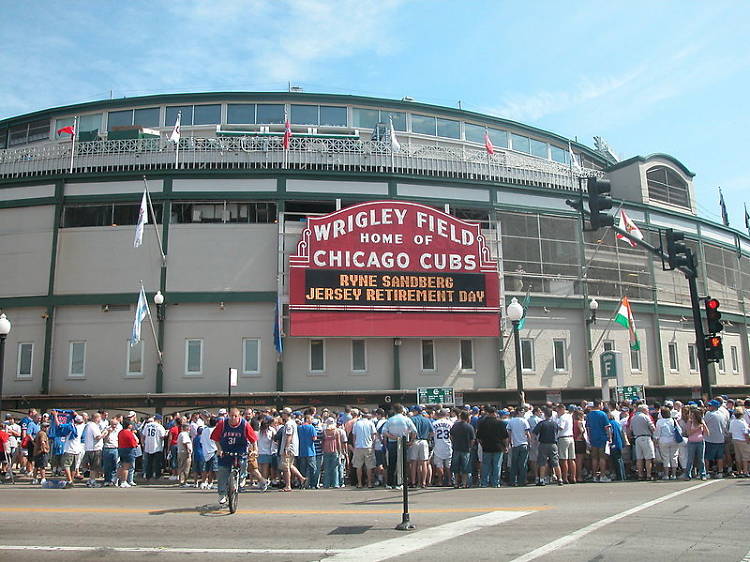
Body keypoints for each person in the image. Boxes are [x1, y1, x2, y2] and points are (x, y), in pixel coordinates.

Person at [211, 407, 258, 505]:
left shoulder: (244, 424)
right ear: (228, 415)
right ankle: (222, 494)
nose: (233, 418)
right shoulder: (222, 424)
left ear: (239, 416)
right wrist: (219, 449)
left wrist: (255, 450)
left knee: (243, 462)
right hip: (226, 450)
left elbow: (253, 439)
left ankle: (242, 477)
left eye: (235, 416)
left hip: (240, 449)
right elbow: (215, 438)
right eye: (231, 416)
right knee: (223, 471)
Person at [381, 404, 417, 489]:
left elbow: (384, 432)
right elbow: (414, 431)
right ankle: (400, 483)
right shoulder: (406, 419)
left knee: (392, 463)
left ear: (394, 410)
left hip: (392, 442)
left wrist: (392, 437)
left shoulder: (390, 420)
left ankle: (390, 483)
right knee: (402, 463)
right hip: (403, 442)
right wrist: (411, 442)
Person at [475, 406, 508, 488]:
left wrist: (482, 445)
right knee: (497, 465)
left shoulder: (482, 423)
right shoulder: (500, 423)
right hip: (498, 447)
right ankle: (495, 483)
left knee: (486, 465)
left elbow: (478, 437)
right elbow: (505, 437)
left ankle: (484, 483)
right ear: (494, 413)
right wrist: (506, 446)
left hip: (486, 447)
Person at [532, 407, 563, 486]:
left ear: (545, 415)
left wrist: (534, 440)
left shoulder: (541, 423)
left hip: (543, 444)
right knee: (555, 462)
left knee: (542, 462)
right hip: (553, 444)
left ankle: (542, 480)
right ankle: (560, 479)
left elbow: (534, 433)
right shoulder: (555, 424)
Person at [279, 408, 306, 492]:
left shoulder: (289, 424)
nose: (282, 415)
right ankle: (301, 478)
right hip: (292, 447)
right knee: (290, 465)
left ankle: (288, 485)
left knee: (286, 467)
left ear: (286, 414)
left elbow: (289, 436)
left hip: (289, 447)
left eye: (283, 413)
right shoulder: (292, 423)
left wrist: (286, 447)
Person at [586, 401, 613, 482]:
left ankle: (594, 476)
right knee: (602, 457)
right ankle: (602, 475)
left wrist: (589, 438)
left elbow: (588, 428)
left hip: (593, 438)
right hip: (602, 437)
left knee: (594, 458)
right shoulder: (602, 414)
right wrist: (610, 437)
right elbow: (607, 427)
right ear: (599, 405)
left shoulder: (589, 415)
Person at [351, 410, 377, 488]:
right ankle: (369, 483)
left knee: (358, 466)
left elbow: (354, 436)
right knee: (369, 466)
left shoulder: (356, 424)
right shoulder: (370, 423)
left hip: (358, 446)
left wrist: (355, 445)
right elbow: (374, 436)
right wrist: (373, 445)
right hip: (368, 446)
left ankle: (359, 483)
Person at [408, 407, 433, 488]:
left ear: (416, 411)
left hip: (415, 441)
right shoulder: (426, 419)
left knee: (413, 462)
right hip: (424, 441)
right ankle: (423, 482)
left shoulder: (412, 419)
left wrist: (410, 441)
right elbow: (432, 432)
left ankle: (413, 482)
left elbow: (410, 431)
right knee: (424, 462)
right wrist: (428, 437)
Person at [450, 410, 475, 488]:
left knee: (456, 467)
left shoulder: (455, 425)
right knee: (465, 467)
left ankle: (456, 483)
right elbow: (472, 439)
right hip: (466, 449)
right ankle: (464, 484)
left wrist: (454, 443)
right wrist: (470, 447)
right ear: (467, 417)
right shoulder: (469, 427)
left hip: (456, 448)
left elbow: (451, 436)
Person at [704, 400, 728, 478]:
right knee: (719, 457)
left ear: (714, 407)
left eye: (710, 406)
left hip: (710, 439)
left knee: (707, 457)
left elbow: (704, 423)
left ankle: (707, 472)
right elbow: (724, 426)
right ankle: (720, 472)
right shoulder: (722, 415)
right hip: (720, 438)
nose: (708, 407)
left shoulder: (708, 414)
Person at [654, 407, 680, 480]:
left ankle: (666, 475)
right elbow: (679, 429)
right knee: (674, 457)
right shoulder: (673, 420)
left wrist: (656, 441)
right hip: (673, 440)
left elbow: (657, 433)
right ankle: (674, 475)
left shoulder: (659, 422)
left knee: (665, 457)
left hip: (663, 440)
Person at [507, 408, 531, 487]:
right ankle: (522, 481)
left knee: (514, 464)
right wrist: (529, 443)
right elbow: (527, 433)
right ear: (518, 412)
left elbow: (509, 433)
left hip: (515, 445)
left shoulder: (511, 421)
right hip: (523, 444)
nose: (523, 413)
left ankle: (513, 481)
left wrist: (509, 443)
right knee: (522, 463)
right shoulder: (524, 421)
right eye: (522, 412)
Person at [684, 408, 709, 480]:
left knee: (701, 459)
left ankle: (702, 474)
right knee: (690, 459)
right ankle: (687, 475)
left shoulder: (701, 422)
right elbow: (688, 433)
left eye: (693, 414)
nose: (691, 415)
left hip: (700, 442)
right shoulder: (690, 422)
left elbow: (707, 432)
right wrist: (697, 429)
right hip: (691, 442)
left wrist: (703, 425)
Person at [431, 408, 454, 486]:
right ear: (446, 414)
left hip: (438, 445)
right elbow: (452, 435)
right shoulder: (450, 423)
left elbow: (431, 434)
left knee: (439, 465)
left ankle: (440, 481)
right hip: (448, 445)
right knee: (448, 466)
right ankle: (450, 481)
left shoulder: (434, 423)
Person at [81, 412, 104, 487]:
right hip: (95, 449)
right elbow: (97, 437)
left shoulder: (88, 425)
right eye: (99, 417)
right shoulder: (93, 426)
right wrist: (105, 433)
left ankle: (90, 480)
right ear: (96, 418)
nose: (100, 419)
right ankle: (92, 481)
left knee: (91, 467)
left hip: (89, 448)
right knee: (94, 466)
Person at [141, 416, 166, 481]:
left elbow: (143, 435)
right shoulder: (159, 426)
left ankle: (148, 476)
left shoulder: (147, 425)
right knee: (157, 462)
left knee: (149, 462)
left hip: (148, 446)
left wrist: (143, 443)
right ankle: (157, 475)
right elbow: (162, 436)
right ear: (159, 420)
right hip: (157, 446)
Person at [555, 404, 575, 484]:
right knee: (572, 458)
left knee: (563, 459)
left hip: (563, 437)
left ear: (560, 409)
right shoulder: (569, 416)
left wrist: (555, 428)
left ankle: (565, 477)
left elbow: (561, 427)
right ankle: (573, 477)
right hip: (571, 437)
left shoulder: (562, 418)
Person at [117, 420, 139, 488]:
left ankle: (117, 479)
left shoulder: (120, 432)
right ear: (129, 425)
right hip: (128, 450)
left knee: (122, 465)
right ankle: (124, 481)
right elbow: (134, 443)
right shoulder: (129, 433)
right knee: (126, 467)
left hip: (121, 449)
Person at [322, 418, 344, 488]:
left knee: (326, 468)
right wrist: (340, 452)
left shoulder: (325, 432)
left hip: (326, 450)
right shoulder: (336, 431)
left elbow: (322, 442)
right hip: (334, 451)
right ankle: (335, 484)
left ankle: (326, 484)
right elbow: (338, 443)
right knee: (335, 468)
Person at [729, 409, 750, 476]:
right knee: (745, 457)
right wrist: (748, 441)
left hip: (735, 439)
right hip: (743, 440)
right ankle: (745, 471)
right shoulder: (742, 423)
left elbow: (730, 432)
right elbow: (746, 433)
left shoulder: (732, 422)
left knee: (738, 456)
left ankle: (739, 471)